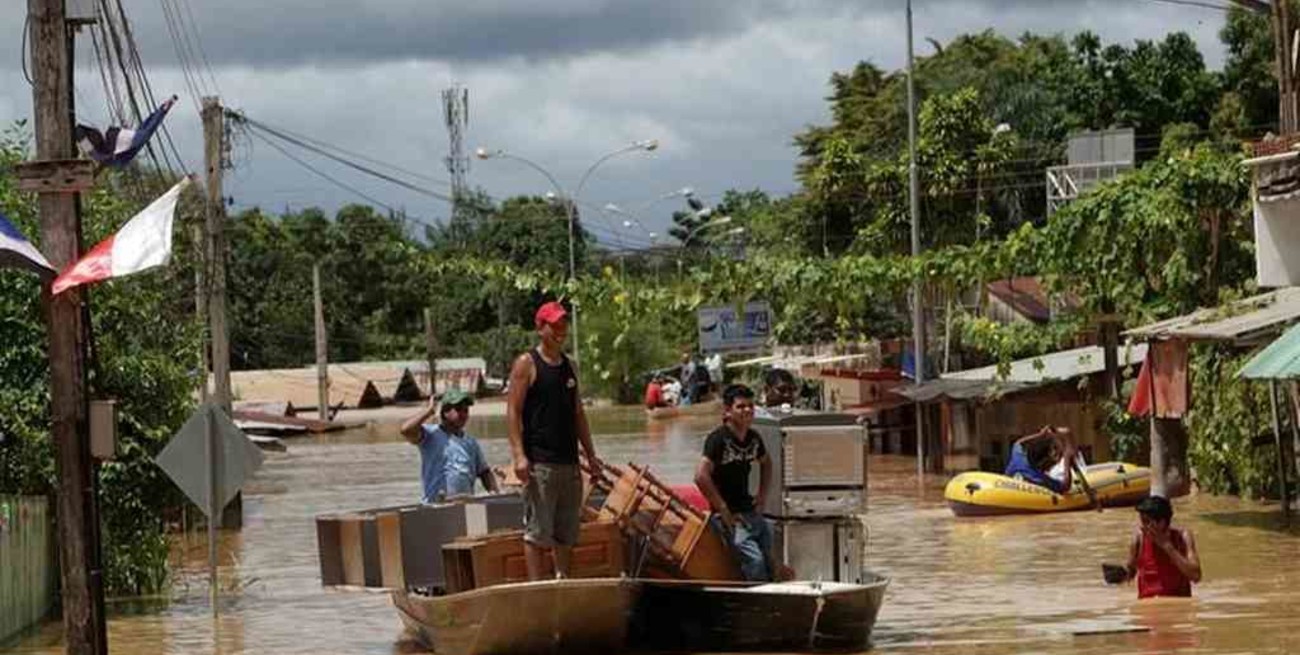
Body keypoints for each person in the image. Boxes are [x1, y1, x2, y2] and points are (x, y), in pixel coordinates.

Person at [507, 301, 601, 580]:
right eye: (554, 325)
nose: (561, 330)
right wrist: (519, 456)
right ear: (540, 328)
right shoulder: (527, 364)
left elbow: (578, 413)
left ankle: (562, 579)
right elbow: (513, 411)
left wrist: (591, 455)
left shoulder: (570, 366)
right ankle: (537, 588)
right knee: (537, 533)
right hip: (540, 463)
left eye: (563, 324)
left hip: (569, 463)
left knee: (566, 533)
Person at [694, 383, 775, 581]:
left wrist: (762, 496)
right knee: (755, 561)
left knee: (771, 558)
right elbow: (700, 476)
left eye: (750, 406)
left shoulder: (754, 438)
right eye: (740, 406)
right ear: (728, 411)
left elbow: (767, 463)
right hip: (726, 516)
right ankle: (756, 594)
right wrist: (722, 509)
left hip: (749, 510)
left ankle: (772, 590)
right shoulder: (718, 439)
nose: (747, 410)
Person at [400, 389, 497, 503]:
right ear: (445, 412)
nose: (463, 414)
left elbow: (484, 472)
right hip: (436, 505)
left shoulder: (471, 442)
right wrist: (428, 412)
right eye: (458, 410)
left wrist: (494, 493)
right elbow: (406, 430)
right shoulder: (430, 434)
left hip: (465, 504)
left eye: (466, 411)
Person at [1124, 495, 1201, 598]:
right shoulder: (1139, 539)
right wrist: (1121, 575)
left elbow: (1196, 576)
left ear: (1162, 522)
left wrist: (1167, 546)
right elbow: (1129, 575)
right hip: (1148, 604)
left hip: (1178, 602)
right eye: (1142, 521)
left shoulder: (1183, 537)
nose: (1142, 527)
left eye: (1147, 522)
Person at [1003, 426, 1075, 493]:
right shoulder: (1040, 479)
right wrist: (1067, 458)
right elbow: (1065, 486)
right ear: (1044, 462)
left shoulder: (1018, 456)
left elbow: (1019, 442)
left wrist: (1040, 434)